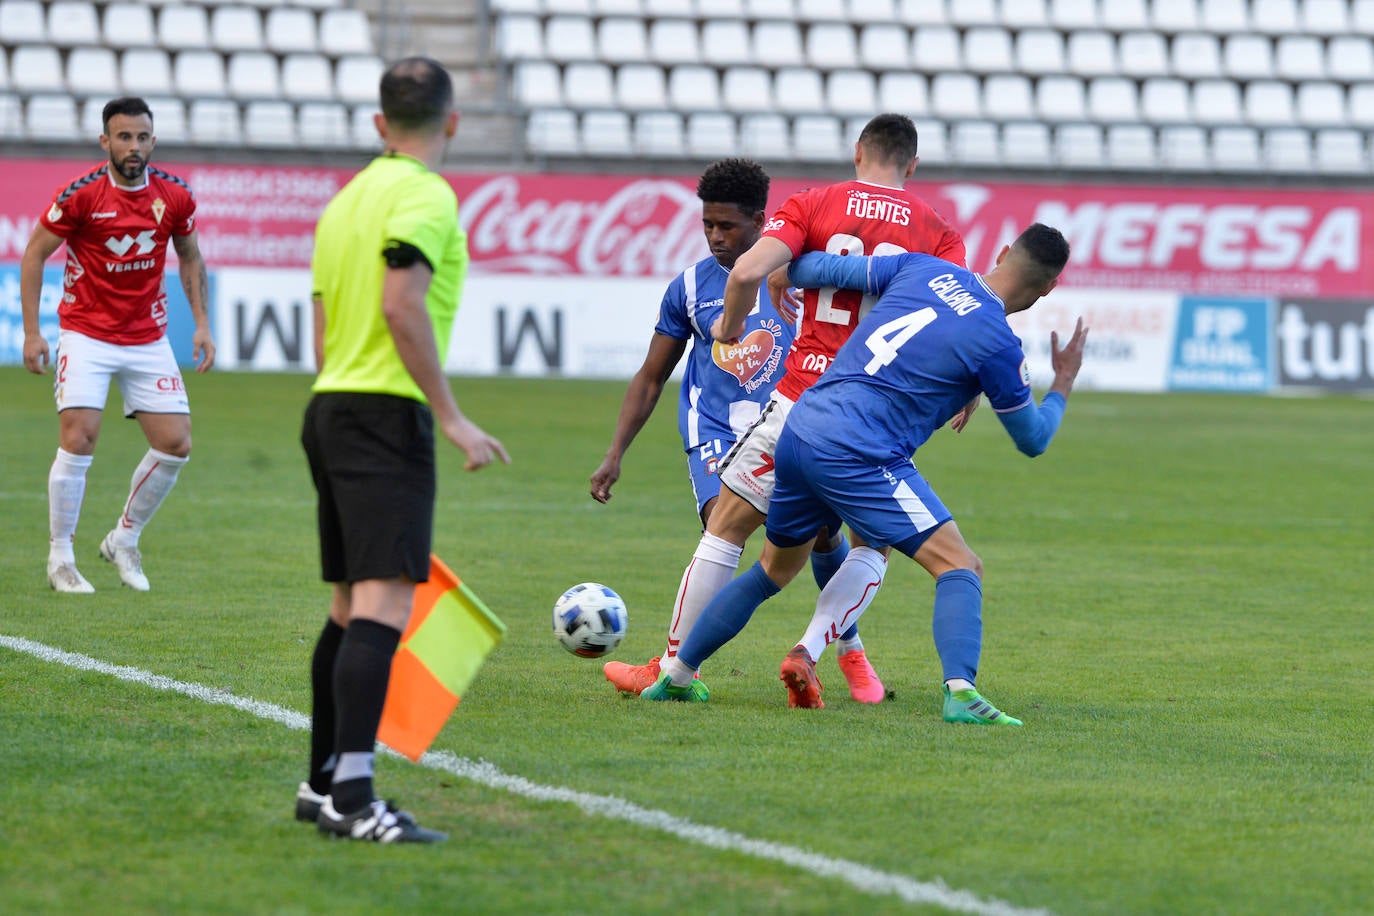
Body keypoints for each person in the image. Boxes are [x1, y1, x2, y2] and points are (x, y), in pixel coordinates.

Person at [649, 224, 1086, 726]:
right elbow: (1032, 439)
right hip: (861, 450)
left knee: (774, 569)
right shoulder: (998, 343)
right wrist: (1063, 385)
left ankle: (677, 674)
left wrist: (783, 271)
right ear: (1048, 288)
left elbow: (821, 268)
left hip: (802, 424)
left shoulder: (924, 267)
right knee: (960, 565)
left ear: (1004, 252)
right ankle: (962, 693)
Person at [633, 113, 968, 703]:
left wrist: (729, 327)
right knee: (870, 545)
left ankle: (673, 668)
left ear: (858, 150)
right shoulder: (940, 234)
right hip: (872, 413)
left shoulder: (815, 205)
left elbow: (746, 273)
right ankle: (812, 648)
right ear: (912, 165)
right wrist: (963, 392)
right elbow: (954, 325)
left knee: (728, 528)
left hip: (797, 402)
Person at [296, 57, 508, 844]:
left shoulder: (345, 201)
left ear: (379, 124)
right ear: (452, 122)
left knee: (349, 606)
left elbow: (321, 326)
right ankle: (354, 798)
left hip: (332, 403)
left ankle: (322, 786)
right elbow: (400, 301)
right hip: (385, 412)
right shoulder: (425, 194)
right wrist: (450, 417)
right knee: (383, 604)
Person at [592, 158, 873, 696]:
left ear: (761, 221)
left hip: (791, 427)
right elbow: (652, 377)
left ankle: (847, 644)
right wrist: (615, 453)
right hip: (716, 435)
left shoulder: (802, 275)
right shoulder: (691, 287)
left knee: (823, 536)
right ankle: (679, 668)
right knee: (720, 527)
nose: (716, 238)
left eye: (728, 226)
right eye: (707, 226)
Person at [20, 96, 214, 594]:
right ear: (105, 140)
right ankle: (60, 557)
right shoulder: (82, 194)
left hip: (147, 336)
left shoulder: (175, 196)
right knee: (79, 436)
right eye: (123, 137)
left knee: (175, 444)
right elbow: (35, 254)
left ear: (154, 140)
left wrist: (201, 324)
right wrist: (32, 332)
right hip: (86, 332)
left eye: (141, 137)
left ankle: (124, 539)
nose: (133, 146)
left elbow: (190, 258)